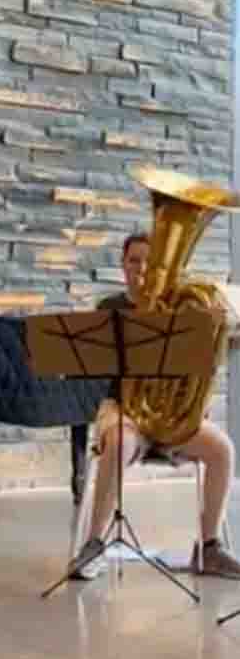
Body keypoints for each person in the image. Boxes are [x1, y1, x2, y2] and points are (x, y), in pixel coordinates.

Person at [69, 231, 240, 580]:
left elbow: (209, 358)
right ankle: (95, 545)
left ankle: (209, 549)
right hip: (123, 409)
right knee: (118, 442)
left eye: (149, 261)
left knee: (222, 449)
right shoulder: (110, 310)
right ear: (123, 265)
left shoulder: (182, 309)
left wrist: (219, 325)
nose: (142, 269)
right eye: (134, 261)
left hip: (170, 414)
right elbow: (88, 365)